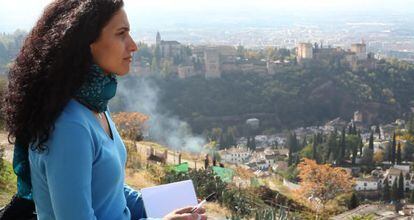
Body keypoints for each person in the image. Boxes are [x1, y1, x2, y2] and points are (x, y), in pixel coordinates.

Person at [1, 0, 207, 220]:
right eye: (121, 34)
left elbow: (108, 194)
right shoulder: (68, 127)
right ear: (86, 42)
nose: (133, 45)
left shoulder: (94, 106)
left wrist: (161, 206)